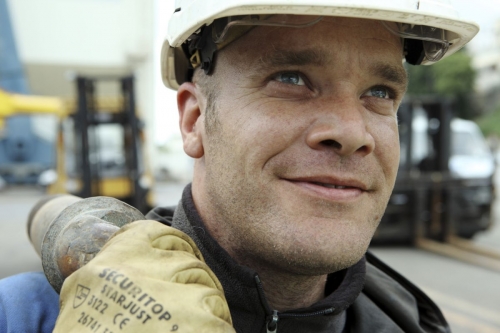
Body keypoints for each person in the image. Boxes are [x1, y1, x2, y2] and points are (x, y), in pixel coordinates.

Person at [0, 0, 479, 332]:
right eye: (291, 79)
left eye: (380, 94)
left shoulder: (414, 323)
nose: (353, 133)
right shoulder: (26, 318)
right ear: (194, 120)